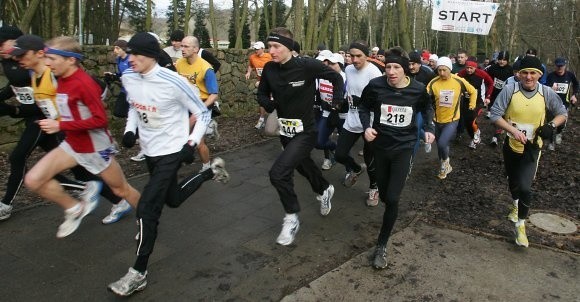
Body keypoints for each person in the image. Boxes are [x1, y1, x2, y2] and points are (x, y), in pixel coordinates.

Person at [107, 32, 230, 296]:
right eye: (128, 54)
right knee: (173, 199)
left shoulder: (172, 80)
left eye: (134, 54)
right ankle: (211, 171)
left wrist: (191, 143)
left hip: (173, 150)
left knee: (147, 209)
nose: (129, 59)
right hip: (150, 151)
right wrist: (130, 130)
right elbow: (133, 105)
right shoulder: (129, 76)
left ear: (150, 55)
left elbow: (202, 112)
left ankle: (138, 272)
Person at [22, 36, 141, 239]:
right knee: (33, 180)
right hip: (72, 144)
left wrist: (60, 125)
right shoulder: (61, 79)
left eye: (52, 58)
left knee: (121, 190)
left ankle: (148, 218)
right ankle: (75, 208)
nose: (48, 63)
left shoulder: (83, 83)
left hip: (96, 147)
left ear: (70, 59)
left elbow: (100, 120)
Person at [257, 27, 343, 246]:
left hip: (306, 131)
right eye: (269, 47)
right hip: (286, 131)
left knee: (278, 173)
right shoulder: (269, 68)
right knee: (303, 166)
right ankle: (324, 189)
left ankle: (291, 216)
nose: (272, 51)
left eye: (276, 46)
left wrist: (336, 101)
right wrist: (270, 105)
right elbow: (261, 93)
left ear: (288, 47)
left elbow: (335, 78)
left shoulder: (306, 66)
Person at [359, 48, 435, 269]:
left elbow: (427, 107)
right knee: (384, 196)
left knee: (392, 198)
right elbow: (364, 107)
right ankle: (386, 206)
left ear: (405, 70)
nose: (391, 71)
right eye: (388, 67)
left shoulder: (418, 89)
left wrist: (429, 128)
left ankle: (381, 245)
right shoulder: (376, 86)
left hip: (403, 148)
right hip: (380, 146)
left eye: (396, 67)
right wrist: (366, 127)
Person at [489, 55, 567, 248]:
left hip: (533, 147)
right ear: (519, 74)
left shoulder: (546, 92)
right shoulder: (509, 90)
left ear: (539, 74)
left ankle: (521, 226)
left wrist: (550, 125)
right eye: (525, 73)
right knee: (513, 181)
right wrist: (513, 131)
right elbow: (495, 115)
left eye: (533, 73)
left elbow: (562, 113)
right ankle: (515, 205)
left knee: (525, 187)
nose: (529, 77)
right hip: (512, 145)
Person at [335, 40, 382, 206]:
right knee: (339, 154)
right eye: (351, 56)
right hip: (352, 119)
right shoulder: (348, 69)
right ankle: (355, 169)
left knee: (371, 160)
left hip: (370, 122)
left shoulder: (374, 73)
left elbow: (380, 101)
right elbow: (350, 91)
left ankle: (374, 189)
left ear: (367, 56)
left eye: (358, 56)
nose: (354, 60)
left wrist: (362, 101)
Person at [426, 57, 477, 179]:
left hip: (452, 119)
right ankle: (444, 165)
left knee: (443, 143)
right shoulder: (433, 83)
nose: (442, 73)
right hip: (437, 119)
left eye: (444, 70)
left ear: (450, 69)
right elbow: (424, 97)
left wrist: (472, 104)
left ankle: (446, 162)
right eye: (439, 70)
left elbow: (473, 91)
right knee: (440, 146)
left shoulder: (458, 80)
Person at [175, 36, 220, 173]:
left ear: (195, 49)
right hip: (185, 103)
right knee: (180, 134)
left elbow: (214, 94)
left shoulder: (206, 68)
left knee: (198, 142)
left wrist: (200, 109)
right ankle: (209, 128)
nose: (182, 49)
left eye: (186, 46)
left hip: (203, 103)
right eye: (181, 46)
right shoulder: (179, 63)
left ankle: (207, 167)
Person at [314, 50, 346, 170]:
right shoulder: (321, 77)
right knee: (318, 142)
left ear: (340, 65)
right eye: (329, 63)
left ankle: (350, 170)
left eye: (334, 64)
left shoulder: (346, 77)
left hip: (343, 115)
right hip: (326, 112)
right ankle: (333, 149)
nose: (330, 66)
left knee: (345, 146)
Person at [456, 57, 494, 149]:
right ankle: (474, 137)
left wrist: (488, 96)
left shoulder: (482, 74)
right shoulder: (462, 73)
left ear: (475, 67)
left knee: (471, 120)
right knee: (467, 121)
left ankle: (477, 134)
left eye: (471, 68)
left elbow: (491, 83)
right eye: (467, 68)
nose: (469, 70)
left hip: (478, 101)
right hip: (466, 100)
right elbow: (455, 81)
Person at [545, 57, 579, 148]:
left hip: (564, 103)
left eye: (562, 66)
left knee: (562, 122)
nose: (560, 68)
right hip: (552, 103)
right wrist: (550, 89)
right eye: (558, 66)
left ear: (565, 66)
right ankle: (551, 142)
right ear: (555, 66)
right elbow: (545, 88)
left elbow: (576, 84)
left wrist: (574, 95)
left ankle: (559, 133)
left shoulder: (570, 75)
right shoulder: (550, 76)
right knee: (551, 123)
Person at [408, 51, 436, 156]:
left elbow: (435, 87)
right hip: (406, 107)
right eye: (409, 64)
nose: (410, 67)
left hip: (420, 107)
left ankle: (410, 160)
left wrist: (431, 104)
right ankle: (425, 137)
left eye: (413, 64)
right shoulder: (404, 72)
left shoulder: (428, 73)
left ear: (419, 64)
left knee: (415, 130)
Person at [484, 50, 513, 145]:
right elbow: (486, 77)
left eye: (504, 60)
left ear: (508, 60)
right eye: (500, 59)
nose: (502, 62)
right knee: (494, 115)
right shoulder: (492, 68)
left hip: (504, 96)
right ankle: (499, 129)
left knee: (500, 116)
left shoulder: (510, 70)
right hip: (493, 94)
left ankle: (495, 136)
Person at [245, 41, 272, 129]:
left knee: (274, 100)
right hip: (261, 82)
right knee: (262, 101)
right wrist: (248, 72)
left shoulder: (269, 56)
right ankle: (261, 120)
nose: (255, 51)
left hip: (272, 81)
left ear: (262, 49)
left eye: (257, 49)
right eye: (254, 49)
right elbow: (250, 65)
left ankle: (276, 120)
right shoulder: (252, 57)